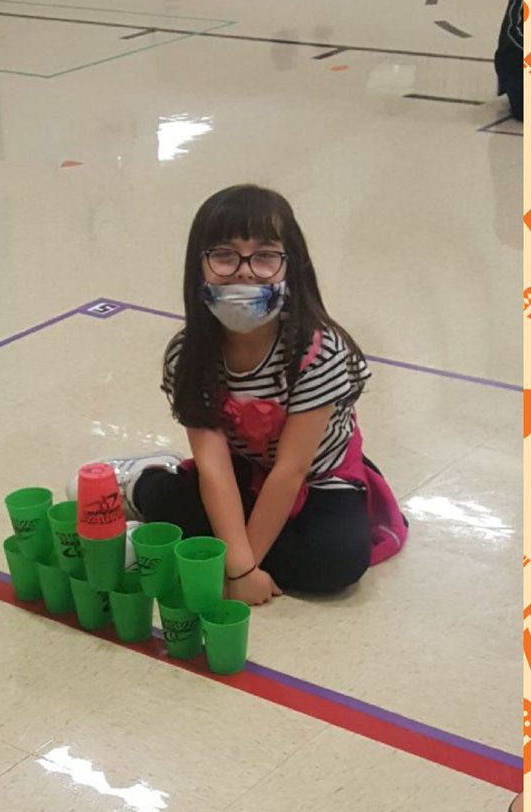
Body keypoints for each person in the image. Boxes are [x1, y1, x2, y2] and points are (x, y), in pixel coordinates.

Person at [73, 184, 406, 605]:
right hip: (240, 472)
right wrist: (241, 567)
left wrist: (241, 569)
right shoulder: (188, 354)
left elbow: (290, 471)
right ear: (199, 266)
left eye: (265, 256)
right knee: (186, 508)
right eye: (225, 255)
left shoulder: (318, 351)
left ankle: (193, 532)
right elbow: (215, 470)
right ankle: (143, 482)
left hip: (319, 477)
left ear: (292, 267)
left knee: (336, 562)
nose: (245, 271)